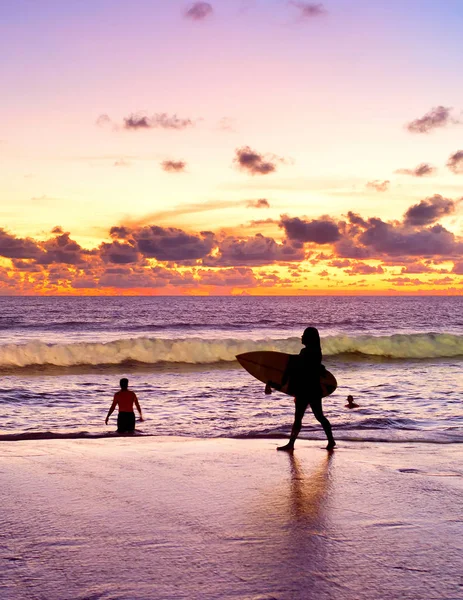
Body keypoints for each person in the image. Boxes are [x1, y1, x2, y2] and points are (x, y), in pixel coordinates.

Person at [266, 327, 335, 451]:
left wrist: (278, 382)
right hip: (314, 389)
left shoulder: (306, 352)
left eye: (304, 335)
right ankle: (331, 441)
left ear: (309, 338)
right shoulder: (316, 352)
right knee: (319, 416)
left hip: (305, 390)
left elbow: (295, 367)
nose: (301, 337)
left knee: (299, 418)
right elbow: (316, 367)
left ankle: (291, 444)